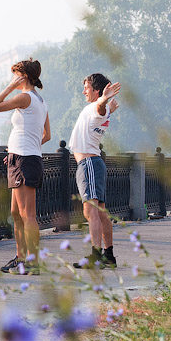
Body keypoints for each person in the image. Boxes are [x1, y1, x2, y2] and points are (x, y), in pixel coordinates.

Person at [0, 58, 51, 274]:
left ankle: (33, 261)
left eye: (15, 75)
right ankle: (21, 257)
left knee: (27, 214)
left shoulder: (25, 97)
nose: (13, 78)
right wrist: (16, 150)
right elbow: (47, 135)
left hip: (25, 160)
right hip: (21, 157)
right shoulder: (41, 101)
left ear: (23, 76)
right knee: (16, 213)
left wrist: (9, 87)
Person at [68, 73, 121, 268]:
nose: (84, 91)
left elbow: (99, 107)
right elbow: (101, 113)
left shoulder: (97, 106)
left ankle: (96, 255)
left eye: (87, 88)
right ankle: (108, 255)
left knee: (90, 211)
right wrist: (107, 105)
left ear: (97, 90)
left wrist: (104, 99)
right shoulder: (102, 110)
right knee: (100, 213)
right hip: (94, 163)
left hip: (89, 163)